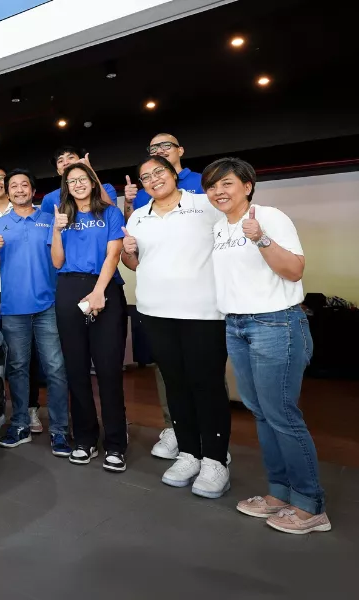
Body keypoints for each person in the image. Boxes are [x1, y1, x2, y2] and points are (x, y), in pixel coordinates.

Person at [204, 157, 330, 534]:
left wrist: (260, 236)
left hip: (276, 322)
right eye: (212, 186)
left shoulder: (270, 216)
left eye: (226, 183)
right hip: (236, 323)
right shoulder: (217, 227)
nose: (218, 191)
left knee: (283, 415)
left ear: (247, 185)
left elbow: (294, 270)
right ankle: (279, 494)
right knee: (260, 412)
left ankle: (310, 506)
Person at [121, 155, 231, 498]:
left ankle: (216, 460)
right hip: (155, 311)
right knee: (176, 384)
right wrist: (127, 253)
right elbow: (135, 263)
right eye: (145, 177)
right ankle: (188, 453)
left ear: (174, 175)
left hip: (203, 313)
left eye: (159, 173)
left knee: (207, 385)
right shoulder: (139, 216)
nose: (153, 180)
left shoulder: (204, 204)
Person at [123, 134, 204, 459]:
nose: (159, 155)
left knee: (203, 372)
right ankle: (175, 428)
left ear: (180, 152)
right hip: (158, 304)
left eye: (165, 147)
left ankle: (210, 440)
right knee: (167, 370)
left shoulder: (202, 186)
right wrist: (129, 206)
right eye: (152, 150)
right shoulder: (142, 204)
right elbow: (136, 258)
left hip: (201, 304)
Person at [0, 169, 71, 456]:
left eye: (25, 185)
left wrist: (59, 229)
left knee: (56, 369)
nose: (19, 189)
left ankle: (60, 431)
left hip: (48, 306)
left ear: (33, 191)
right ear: (8, 193)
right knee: (18, 369)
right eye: (14, 186)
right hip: (13, 309)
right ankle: (20, 424)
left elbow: (59, 260)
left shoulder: (48, 220)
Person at [49, 162, 128, 472]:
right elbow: (57, 260)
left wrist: (98, 292)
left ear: (93, 183)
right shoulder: (62, 217)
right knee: (76, 369)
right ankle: (84, 439)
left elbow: (114, 254)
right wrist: (57, 230)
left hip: (104, 287)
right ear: (66, 187)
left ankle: (116, 444)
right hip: (68, 288)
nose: (78, 184)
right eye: (72, 181)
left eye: (83, 179)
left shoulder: (109, 213)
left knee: (109, 370)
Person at [0, 168, 43, 432]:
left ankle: (30, 409)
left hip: (23, 291)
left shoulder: (32, 211)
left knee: (29, 356)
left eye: (1, 180)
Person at [40, 145, 117, 215]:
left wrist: (90, 170)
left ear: (82, 161)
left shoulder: (107, 188)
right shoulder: (49, 199)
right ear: (58, 171)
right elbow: (47, 228)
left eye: (70, 157)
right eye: (60, 161)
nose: (66, 163)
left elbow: (113, 214)